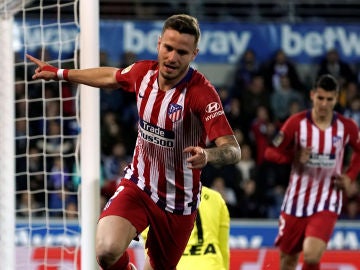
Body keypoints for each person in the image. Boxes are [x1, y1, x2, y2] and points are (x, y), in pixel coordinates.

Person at [26, 14, 241, 270]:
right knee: (106, 250)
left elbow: (232, 149)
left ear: (194, 54)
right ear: (159, 43)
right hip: (139, 184)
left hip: (178, 202)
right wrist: (61, 73)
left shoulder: (201, 94)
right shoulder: (143, 73)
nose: (172, 58)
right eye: (168, 48)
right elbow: (111, 77)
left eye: (181, 52)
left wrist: (208, 156)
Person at [264, 74, 360, 270]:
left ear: (336, 98)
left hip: (327, 200)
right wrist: (294, 156)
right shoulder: (296, 123)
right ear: (312, 95)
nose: (324, 104)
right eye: (320, 98)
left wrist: (350, 177)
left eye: (329, 99)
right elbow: (270, 151)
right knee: (288, 261)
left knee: (312, 255)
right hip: (295, 202)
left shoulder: (346, 127)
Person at [141, 186, 230, 270]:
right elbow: (223, 249)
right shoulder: (216, 198)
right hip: (212, 265)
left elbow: (152, 252)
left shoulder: (154, 199)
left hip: (178, 265)